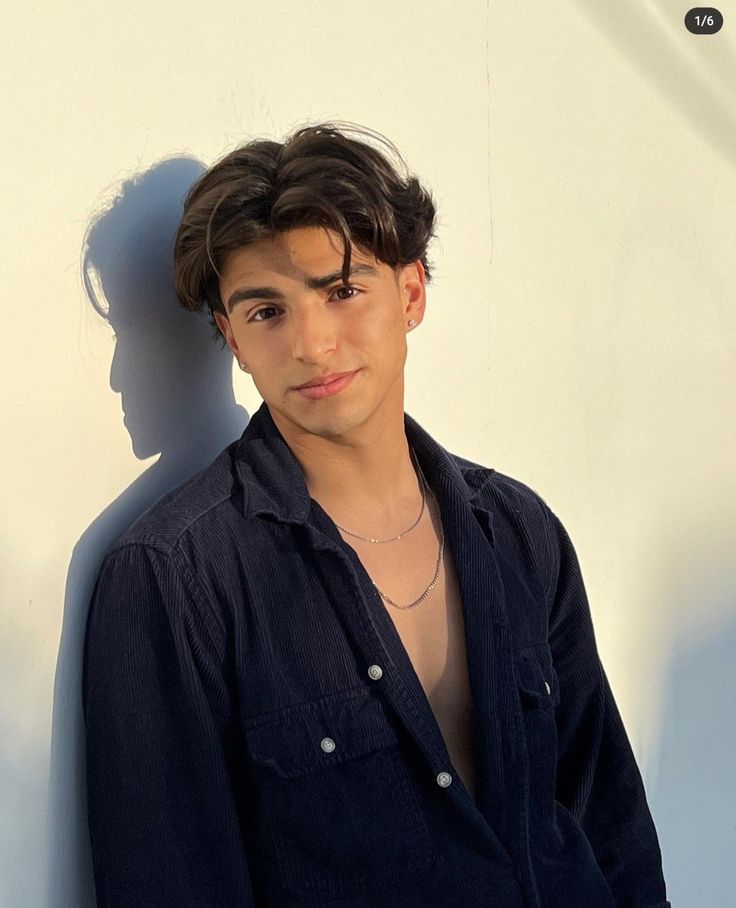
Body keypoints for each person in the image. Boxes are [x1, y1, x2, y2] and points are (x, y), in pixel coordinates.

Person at [83, 122, 670, 907]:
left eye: (341, 290)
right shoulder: (176, 577)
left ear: (412, 292)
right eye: (266, 312)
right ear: (230, 337)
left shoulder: (519, 531)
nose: (313, 343)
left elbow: (611, 823)